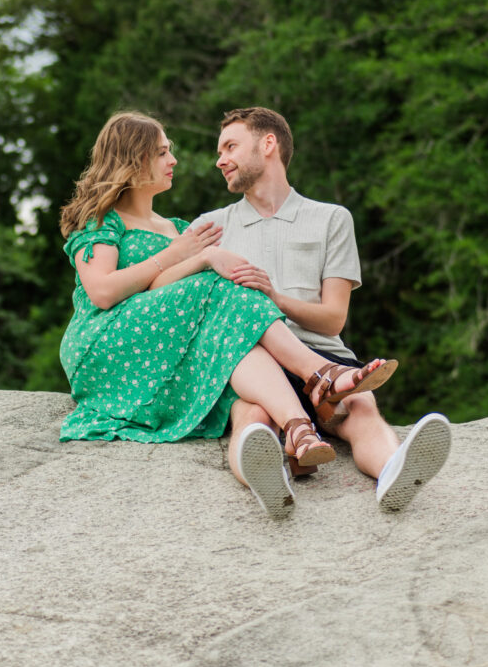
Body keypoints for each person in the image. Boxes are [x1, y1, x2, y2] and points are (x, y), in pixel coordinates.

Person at [58, 111, 397, 519]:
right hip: (110, 341)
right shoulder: (109, 220)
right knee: (233, 314)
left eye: (229, 147)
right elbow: (104, 291)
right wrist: (200, 257)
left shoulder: (178, 227)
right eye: (163, 152)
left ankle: (313, 435)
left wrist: (202, 257)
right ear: (135, 159)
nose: (175, 160)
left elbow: (163, 286)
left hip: (178, 344)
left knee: (340, 398)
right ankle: (321, 378)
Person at [196, 107, 452, 513]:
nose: (220, 159)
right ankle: (269, 481)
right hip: (251, 359)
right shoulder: (210, 228)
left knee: (361, 407)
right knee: (253, 414)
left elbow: (334, 317)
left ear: (268, 144)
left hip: (323, 357)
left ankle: (393, 471)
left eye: (230, 146)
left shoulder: (331, 218)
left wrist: (274, 298)